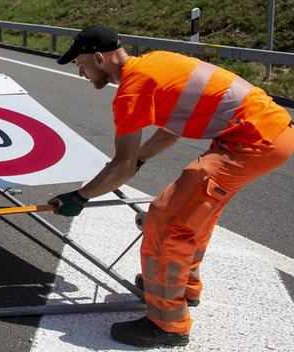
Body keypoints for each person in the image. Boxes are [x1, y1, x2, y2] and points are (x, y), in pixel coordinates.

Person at [48, 25, 294, 347]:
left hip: (252, 140)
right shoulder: (155, 63)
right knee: (194, 213)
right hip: (268, 132)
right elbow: (170, 131)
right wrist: (139, 160)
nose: (80, 72)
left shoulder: (132, 90)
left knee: (166, 220)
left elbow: (121, 166)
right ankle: (184, 287)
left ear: (99, 58)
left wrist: (80, 197)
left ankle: (167, 325)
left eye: (81, 65)